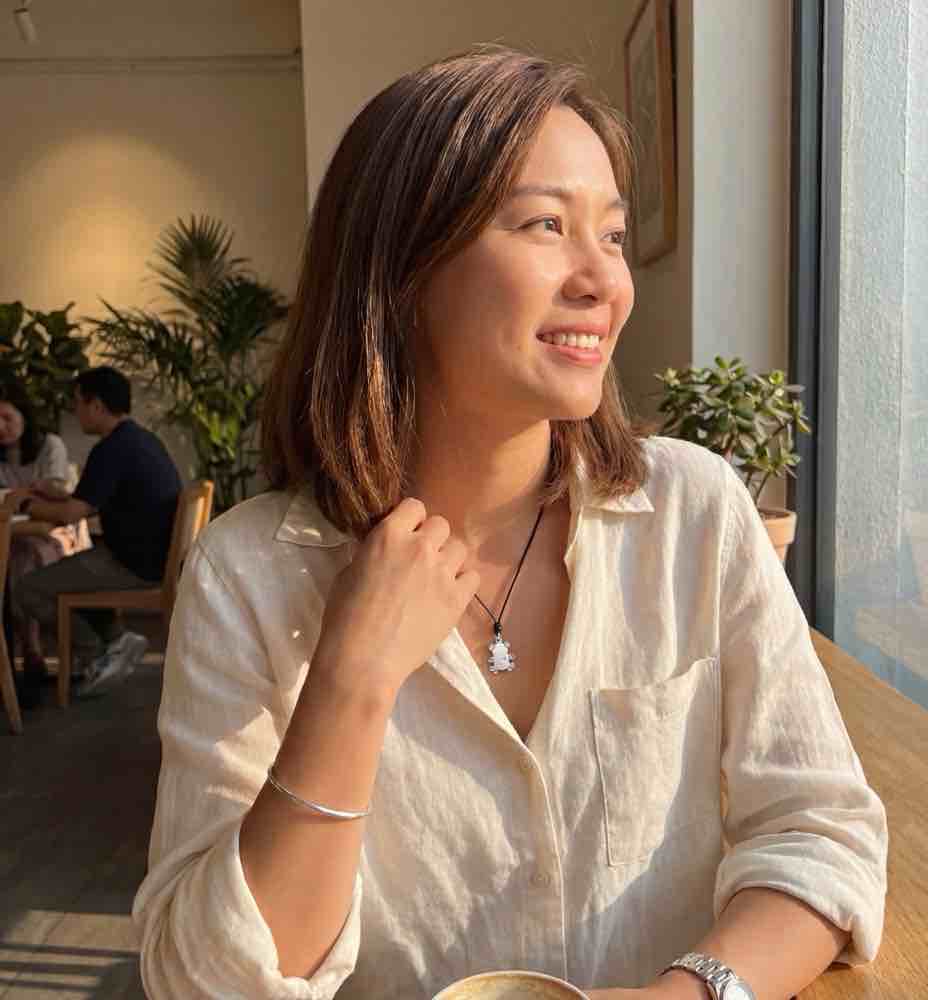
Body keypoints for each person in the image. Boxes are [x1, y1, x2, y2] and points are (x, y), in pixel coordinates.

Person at [133, 47, 888, 1000]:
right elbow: (205, 981)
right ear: (403, 268)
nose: (604, 281)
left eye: (612, 235)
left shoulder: (693, 513)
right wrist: (351, 682)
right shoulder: (249, 575)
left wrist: (694, 994)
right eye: (545, 225)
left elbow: (821, 832)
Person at [15, 367, 182, 697]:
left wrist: (24, 504)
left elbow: (70, 515)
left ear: (97, 405)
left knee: (28, 589)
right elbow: (88, 501)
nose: (75, 411)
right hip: (152, 557)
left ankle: (96, 652)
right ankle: (117, 640)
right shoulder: (140, 439)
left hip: (132, 564)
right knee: (67, 573)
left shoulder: (111, 449)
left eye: (78, 403)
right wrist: (57, 496)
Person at [0, 385, 87, 703]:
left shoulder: (50, 446)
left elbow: (58, 493)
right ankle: (21, 657)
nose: (1, 427)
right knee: (12, 556)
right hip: (12, 535)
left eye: (6, 417)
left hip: (51, 533)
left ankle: (32, 650)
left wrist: (24, 496)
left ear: (24, 414)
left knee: (27, 556)